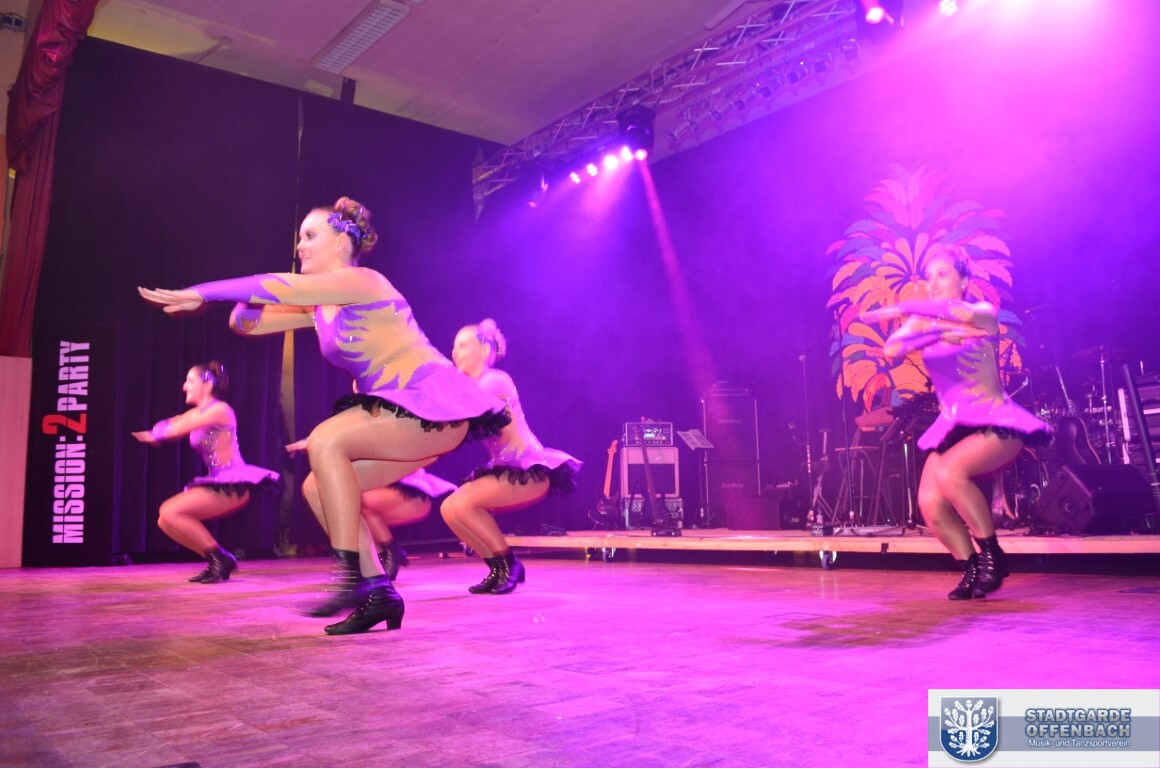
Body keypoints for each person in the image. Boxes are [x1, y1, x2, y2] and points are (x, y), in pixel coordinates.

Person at [139, 197, 508, 634]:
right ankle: (379, 592)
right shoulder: (321, 306)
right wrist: (247, 297)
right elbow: (246, 324)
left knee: (326, 440)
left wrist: (202, 292)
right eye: (299, 238)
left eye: (310, 236)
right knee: (318, 488)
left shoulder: (363, 281)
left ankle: (349, 576)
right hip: (409, 421)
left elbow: (276, 286)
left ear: (341, 243)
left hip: (430, 401)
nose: (300, 246)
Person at [860, 245, 1049, 600]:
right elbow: (892, 349)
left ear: (964, 280)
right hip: (953, 425)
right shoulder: (922, 322)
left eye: (943, 274)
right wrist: (936, 332)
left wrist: (906, 308)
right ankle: (971, 567)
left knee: (949, 473)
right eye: (928, 277)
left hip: (994, 420)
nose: (933, 283)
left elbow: (954, 313)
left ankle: (993, 557)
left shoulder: (982, 313)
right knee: (929, 503)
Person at [441, 318, 582, 595]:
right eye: (454, 346)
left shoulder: (495, 380)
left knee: (464, 504)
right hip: (503, 469)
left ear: (485, 351)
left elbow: (458, 413)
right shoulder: (472, 385)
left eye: (463, 345)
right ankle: (498, 568)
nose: (454, 353)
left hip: (527, 470)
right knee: (449, 509)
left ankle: (510, 565)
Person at [132, 361, 279, 583]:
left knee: (169, 511)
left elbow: (177, 428)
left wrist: (157, 434)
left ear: (208, 385)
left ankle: (221, 558)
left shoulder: (220, 410)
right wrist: (156, 431)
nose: (184, 386)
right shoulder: (197, 413)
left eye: (190, 380)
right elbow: (175, 422)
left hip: (232, 484)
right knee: (165, 521)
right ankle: (217, 560)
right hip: (218, 481)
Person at [288, 435, 455, 580]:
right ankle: (385, 554)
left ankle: (387, 553)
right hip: (390, 502)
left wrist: (314, 442)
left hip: (413, 497)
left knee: (349, 498)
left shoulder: (384, 434)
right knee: (348, 505)